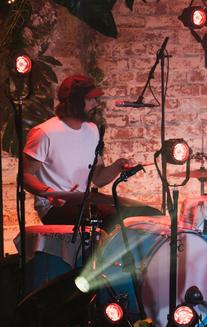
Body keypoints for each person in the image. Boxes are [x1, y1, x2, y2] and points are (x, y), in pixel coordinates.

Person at [23, 74, 160, 230]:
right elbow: (25, 175)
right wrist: (50, 193)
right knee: (117, 220)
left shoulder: (92, 130)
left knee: (151, 215)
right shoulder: (44, 133)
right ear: (74, 102)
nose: (95, 103)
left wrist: (117, 166)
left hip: (85, 201)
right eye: (90, 99)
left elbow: (98, 178)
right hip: (55, 208)